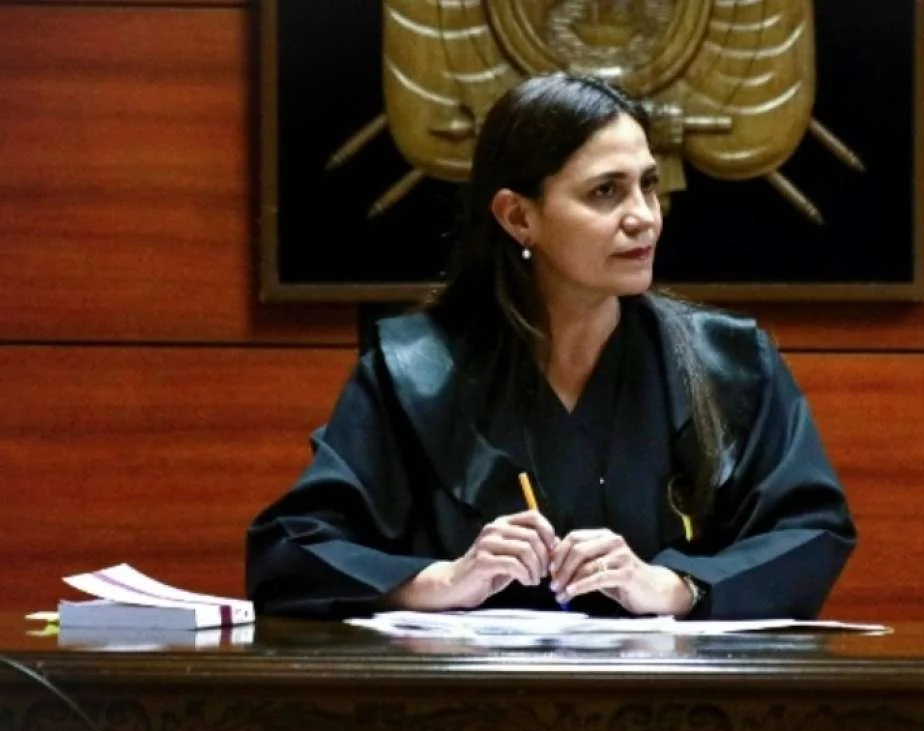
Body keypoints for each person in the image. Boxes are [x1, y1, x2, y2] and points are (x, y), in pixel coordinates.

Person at [246, 72, 856, 620]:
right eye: (605, 192)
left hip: (675, 701)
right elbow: (290, 551)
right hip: (464, 701)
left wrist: (676, 586)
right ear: (518, 217)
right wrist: (440, 581)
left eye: (648, 185)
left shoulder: (731, 364)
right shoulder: (414, 371)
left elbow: (811, 530)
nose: (644, 217)